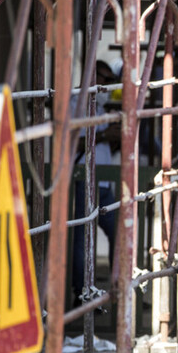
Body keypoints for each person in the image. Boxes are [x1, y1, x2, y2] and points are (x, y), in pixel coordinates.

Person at [71, 60, 119, 307]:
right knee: (83, 238)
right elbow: (70, 141)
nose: (109, 86)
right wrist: (103, 135)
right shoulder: (75, 103)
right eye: (105, 80)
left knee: (117, 233)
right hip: (83, 180)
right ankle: (81, 293)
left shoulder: (98, 108)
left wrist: (114, 138)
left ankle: (117, 289)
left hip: (103, 182)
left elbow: (102, 146)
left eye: (111, 81)